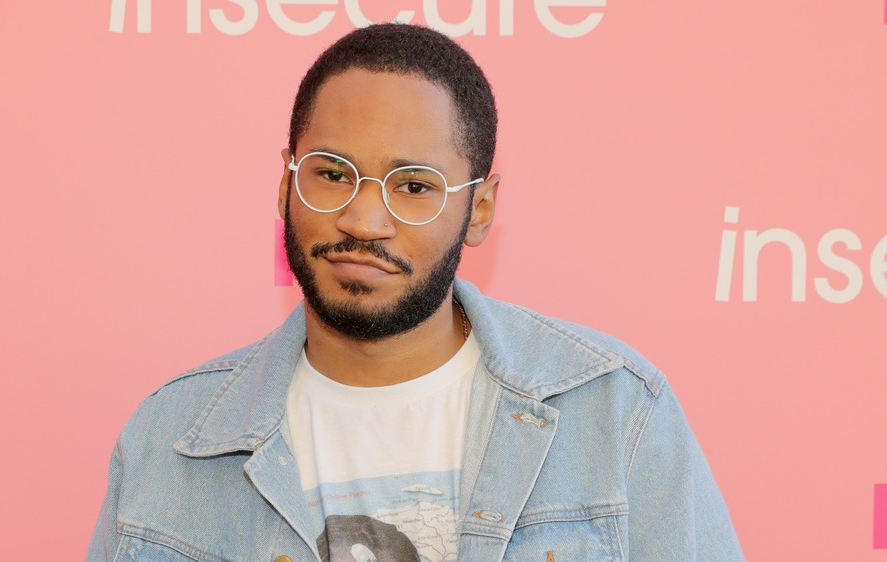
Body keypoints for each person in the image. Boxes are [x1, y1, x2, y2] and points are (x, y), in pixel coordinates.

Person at [88, 23, 743, 561]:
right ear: (285, 185)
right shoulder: (169, 439)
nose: (363, 221)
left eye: (414, 186)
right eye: (331, 174)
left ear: (480, 210)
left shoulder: (614, 413)